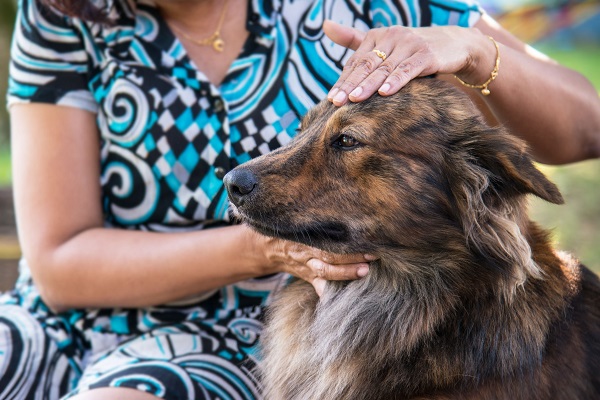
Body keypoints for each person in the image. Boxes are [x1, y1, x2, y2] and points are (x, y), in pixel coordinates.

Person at [1, 0, 599, 399]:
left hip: (243, 332)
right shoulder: (63, 13)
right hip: (61, 319)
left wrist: (470, 49)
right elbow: (59, 264)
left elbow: (588, 126)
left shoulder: (381, 4)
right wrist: (260, 247)